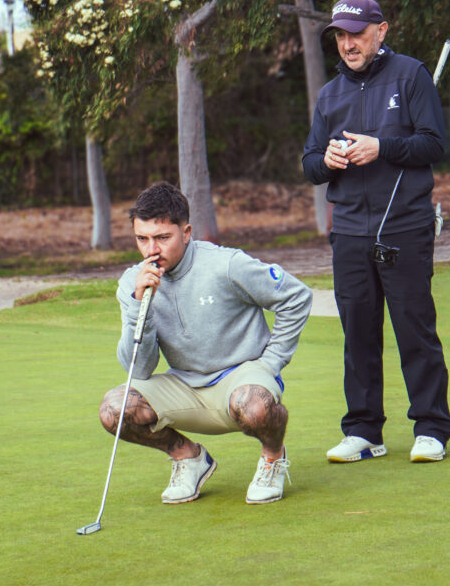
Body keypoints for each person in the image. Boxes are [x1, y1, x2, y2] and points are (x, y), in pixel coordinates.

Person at [302, 0, 450, 464]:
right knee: (358, 334)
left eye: (357, 34)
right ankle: (364, 431)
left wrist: (381, 147)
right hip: (350, 231)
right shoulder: (330, 94)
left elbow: (433, 144)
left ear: (380, 31)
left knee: (414, 329)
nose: (348, 44)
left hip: (404, 225)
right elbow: (309, 163)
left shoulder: (411, 75)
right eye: (341, 36)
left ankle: (431, 428)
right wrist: (327, 160)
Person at [99, 181, 313, 505]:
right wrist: (140, 306)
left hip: (242, 379)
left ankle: (273, 458)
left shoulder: (226, 264)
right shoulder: (133, 282)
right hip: (184, 384)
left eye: (162, 238)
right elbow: (138, 369)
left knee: (255, 406)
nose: (151, 250)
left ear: (186, 233)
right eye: (142, 239)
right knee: (113, 409)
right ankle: (189, 458)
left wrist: (271, 362)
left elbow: (296, 297)